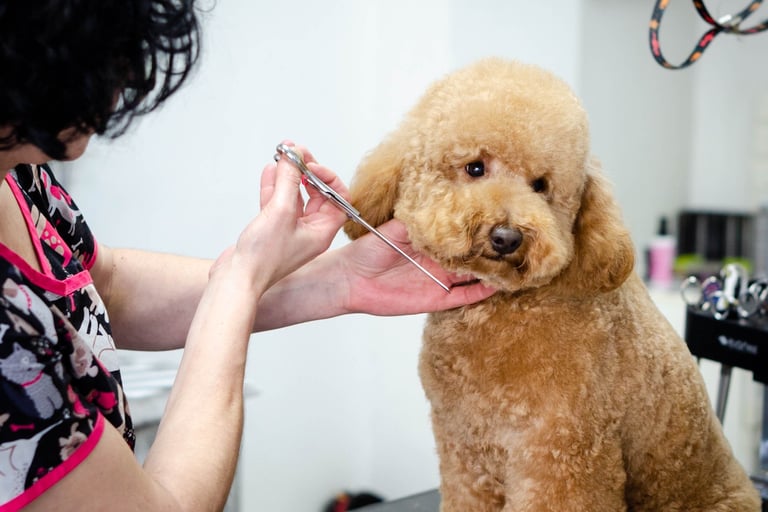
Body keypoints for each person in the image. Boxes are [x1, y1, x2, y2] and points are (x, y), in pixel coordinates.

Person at [0, 1, 495, 510]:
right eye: (111, 52)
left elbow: (104, 289)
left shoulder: (18, 168)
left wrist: (339, 280)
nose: (128, 75)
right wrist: (241, 277)